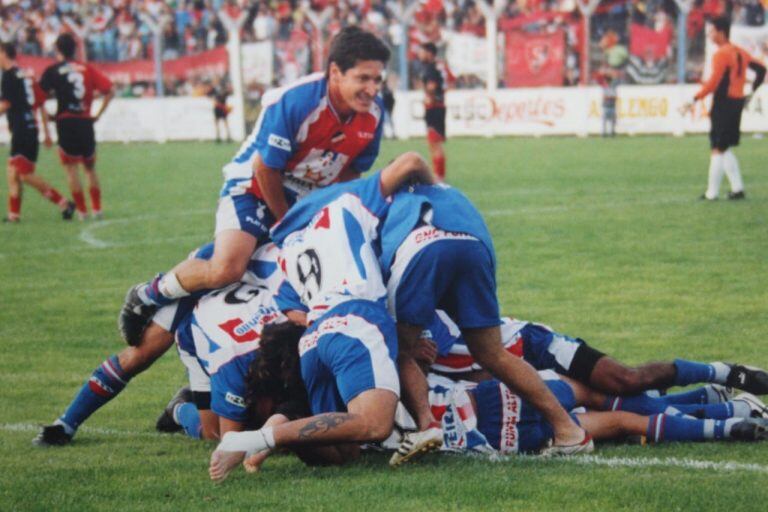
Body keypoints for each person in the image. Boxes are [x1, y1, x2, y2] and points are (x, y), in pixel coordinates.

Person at [119, 26, 391, 346]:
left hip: (306, 198)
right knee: (227, 269)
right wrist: (287, 226)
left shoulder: (373, 114)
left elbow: (350, 173)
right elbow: (266, 168)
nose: (372, 89)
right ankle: (148, 294)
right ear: (335, 72)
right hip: (253, 186)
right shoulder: (296, 100)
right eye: (363, 78)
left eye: (378, 80)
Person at [207, 152, 438, 482]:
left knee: (345, 453)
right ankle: (254, 439)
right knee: (374, 423)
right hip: (357, 320)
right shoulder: (347, 202)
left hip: (315, 339)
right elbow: (411, 162)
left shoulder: (290, 246)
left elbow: (292, 310)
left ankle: (279, 430)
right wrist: (438, 195)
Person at [381, 183, 593, 466]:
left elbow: (378, 260)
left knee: (400, 350)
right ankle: (569, 432)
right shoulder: (448, 191)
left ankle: (426, 426)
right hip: (474, 247)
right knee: (492, 353)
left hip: (421, 252)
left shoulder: (388, 197)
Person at [33, 243, 285, 446]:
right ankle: (67, 423)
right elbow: (219, 251)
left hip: (259, 296)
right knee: (141, 354)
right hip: (210, 285)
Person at [424, 311, 768, 396]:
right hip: (512, 375)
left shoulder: (426, 303)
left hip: (534, 345)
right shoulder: (393, 341)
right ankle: (713, 402)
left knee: (625, 381)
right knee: (605, 406)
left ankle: (722, 372)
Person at [690, 16, 765, 201]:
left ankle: (711, 193)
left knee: (717, 147)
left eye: (711, 31)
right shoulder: (740, 52)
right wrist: (751, 91)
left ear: (721, 32)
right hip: (737, 102)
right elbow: (761, 70)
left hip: (723, 103)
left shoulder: (722, 54)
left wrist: (696, 97)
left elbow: (715, 82)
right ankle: (737, 189)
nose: (709, 34)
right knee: (724, 147)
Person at [39, 34, 114, 220]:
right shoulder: (87, 69)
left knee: (70, 168)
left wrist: (49, 117)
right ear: (75, 49)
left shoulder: (53, 70)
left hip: (65, 122)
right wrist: (98, 114)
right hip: (85, 121)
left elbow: (39, 96)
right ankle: (97, 209)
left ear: (58, 49)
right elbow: (109, 90)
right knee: (90, 168)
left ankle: (82, 211)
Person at [0, 42, 74, 223]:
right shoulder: (25, 74)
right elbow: (40, 102)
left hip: (22, 129)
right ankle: (13, 215)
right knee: (12, 172)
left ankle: (63, 202)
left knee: (25, 175)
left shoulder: (9, 76)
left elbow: (6, 104)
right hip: (29, 127)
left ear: (3, 53)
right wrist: (47, 132)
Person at [418, 43, 447, 180]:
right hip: (437, 107)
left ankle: (439, 176)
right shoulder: (435, 67)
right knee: (433, 142)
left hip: (434, 107)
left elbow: (432, 86)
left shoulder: (430, 68)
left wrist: (429, 97)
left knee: (435, 142)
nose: (419, 54)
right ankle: (437, 174)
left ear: (429, 53)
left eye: (422, 51)